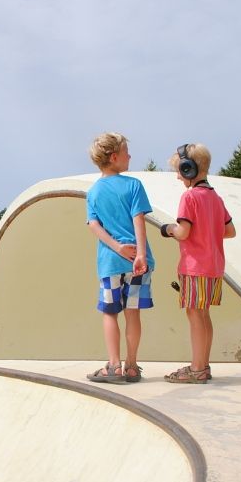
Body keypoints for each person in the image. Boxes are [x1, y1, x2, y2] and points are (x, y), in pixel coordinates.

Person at [158, 143, 236, 384]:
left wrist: (167, 228)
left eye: (180, 171)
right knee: (204, 315)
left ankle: (197, 369)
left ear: (189, 168)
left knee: (194, 316)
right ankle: (203, 365)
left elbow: (182, 232)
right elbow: (230, 231)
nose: (178, 176)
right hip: (213, 266)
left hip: (194, 266)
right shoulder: (215, 197)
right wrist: (208, 231)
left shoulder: (189, 197)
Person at [85, 132, 155, 384]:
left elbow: (94, 226)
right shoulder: (134, 185)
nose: (130, 156)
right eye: (126, 152)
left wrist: (117, 247)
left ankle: (113, 365)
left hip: (110, 263)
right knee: (133, 314)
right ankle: (132, 366)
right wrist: (140, 254)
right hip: (138, 262)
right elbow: (139, 219)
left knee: (110, 313)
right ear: (114, 157)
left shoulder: (93, 191)